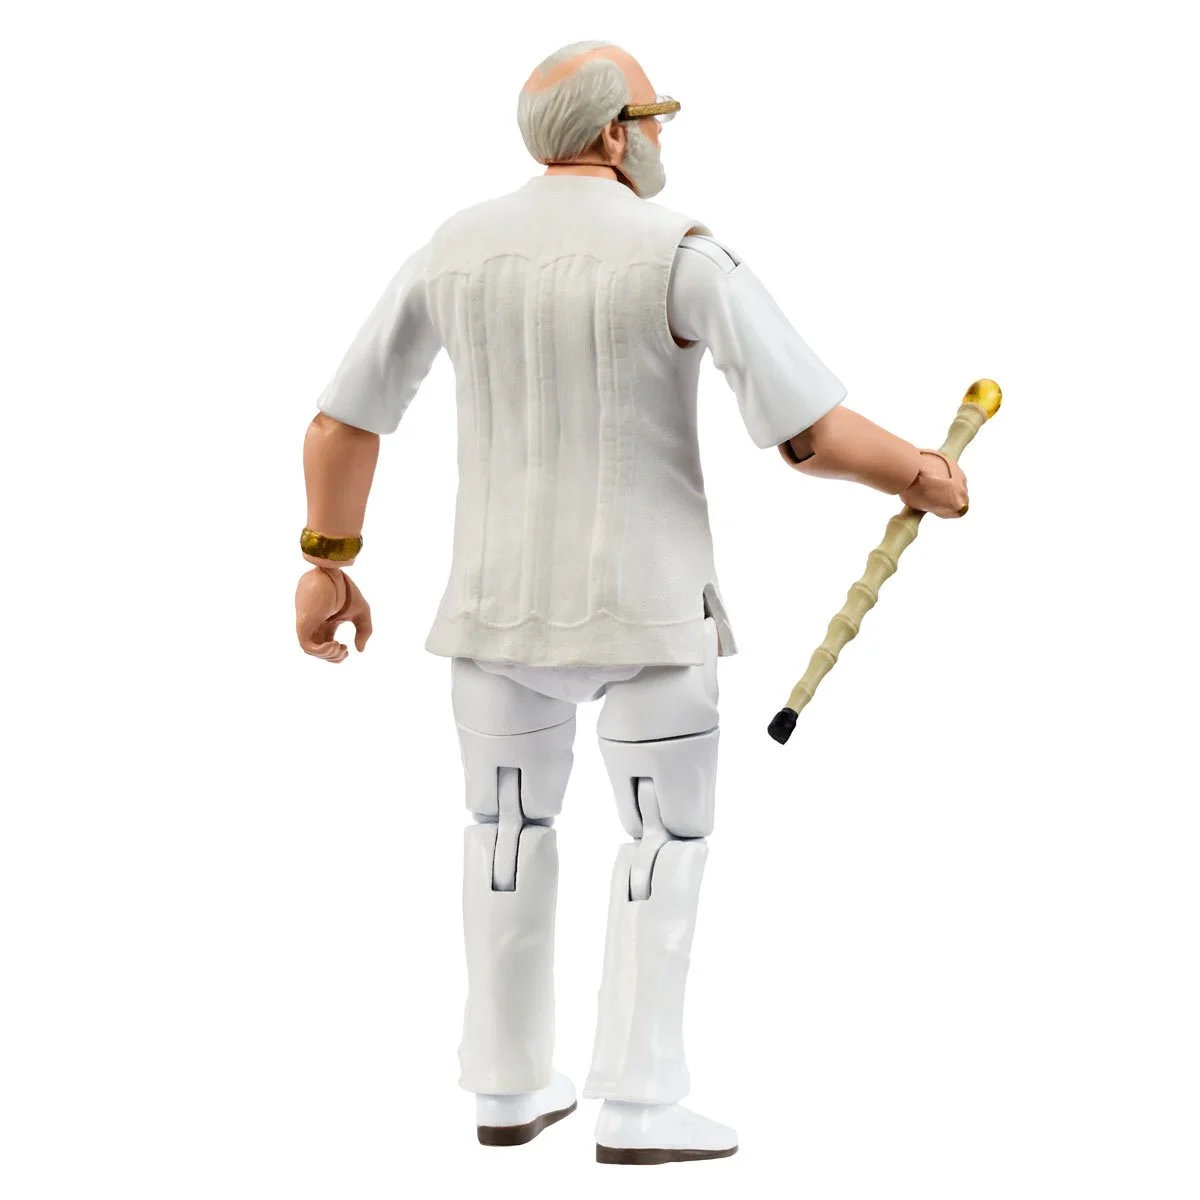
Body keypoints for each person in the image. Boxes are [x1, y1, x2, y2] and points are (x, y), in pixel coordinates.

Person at [294, 40, 968, 1166]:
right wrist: (921, 473)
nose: (658, 138)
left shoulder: (450, 250)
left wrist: (328, 558)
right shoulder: (681, 252)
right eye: (652, 119)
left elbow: (342, 422)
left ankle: (506, 1083)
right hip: (650, 609)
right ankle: (642, 1103)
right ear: (614, 132)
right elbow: (807, 433)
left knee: (504, 834)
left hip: (494, 611)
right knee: (665, 840)